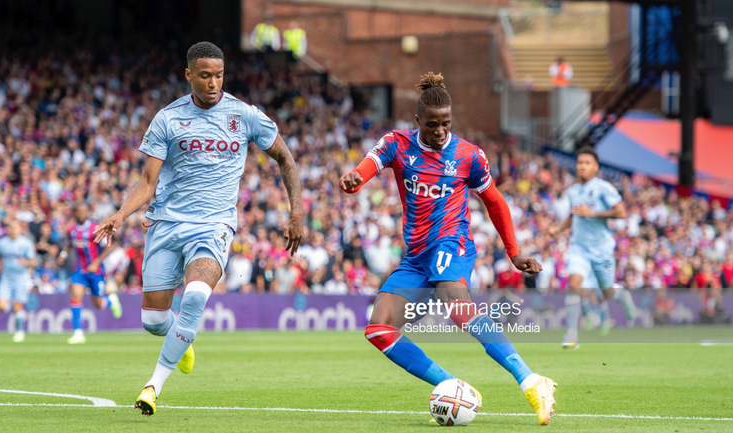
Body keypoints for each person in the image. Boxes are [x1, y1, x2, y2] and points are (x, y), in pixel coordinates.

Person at [92, 41, 302, 416]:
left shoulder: (244, 115)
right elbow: (147, 181)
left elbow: (285, 158)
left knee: (194, 298)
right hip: (167, 224)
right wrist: (120, 215)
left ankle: (152, 387)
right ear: (189, 75)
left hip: (214, 226)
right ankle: (181, 339)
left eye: (219, 75)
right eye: (204, 75)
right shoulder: (168, 119)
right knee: (154, 320)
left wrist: (296, 212)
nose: (213, 83)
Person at [339, 72, 557, 426]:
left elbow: (495, 202)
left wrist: (514, 252)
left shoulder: (469, 155)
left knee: (457, 307)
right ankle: (450, 385)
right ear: (417, 121)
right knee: (379, 329)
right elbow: (368, 166)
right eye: (432, 125)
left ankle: (532, 382)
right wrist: (355, 179)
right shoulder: (396, 143)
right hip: (416, 257)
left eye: (446, 124)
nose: (440, 132)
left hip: (451, 243)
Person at [549, 146, 637, 349]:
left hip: (602, 250)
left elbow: (621, 213)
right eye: (580, 162)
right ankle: (571, 335)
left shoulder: (603, 188)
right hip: (579, 247)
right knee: (574, 282)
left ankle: (623, 296)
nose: (582, 166)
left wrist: (594, 214)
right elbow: (574, 215)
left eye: (587, 163)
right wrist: (559, 229)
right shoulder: (572, 191)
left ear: (595, 167)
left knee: (606, 292)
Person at [58, 203, 122, 344]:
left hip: (96, 271)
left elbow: (109, 248)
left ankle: (111, 301)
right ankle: (78, 333)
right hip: (79, 270)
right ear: (75, 213)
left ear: (88, 213)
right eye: (79, 211)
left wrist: (96, 263)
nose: (81, 213)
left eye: (83, 211)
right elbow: (69, 244)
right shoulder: (72, 230)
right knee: (75, 296)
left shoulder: (95, 228)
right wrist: (63, 254)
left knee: (98, 304)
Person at [0, 221, 36, 343]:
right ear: (8, 229)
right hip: (6, 278)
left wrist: (27, 263)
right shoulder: (1, 243)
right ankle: (9, 301)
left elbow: (33, 262)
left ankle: (19, 331)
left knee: (17, 307)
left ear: (20, 229)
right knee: (1, 307)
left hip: (21, 278)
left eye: (16, 227)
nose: (13, 229)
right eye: (11, 227)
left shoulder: (26, 243)